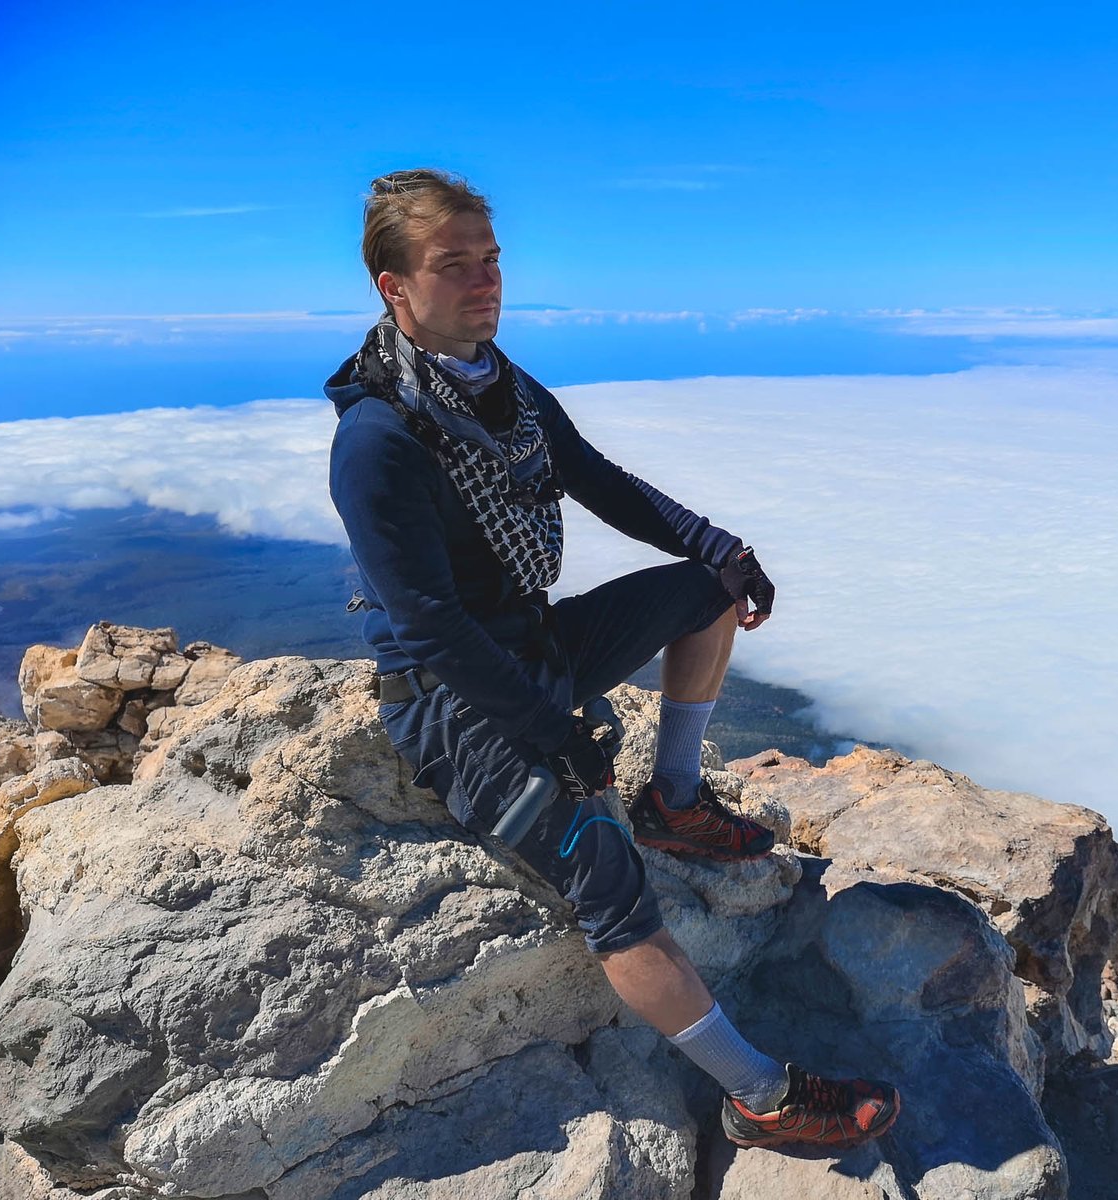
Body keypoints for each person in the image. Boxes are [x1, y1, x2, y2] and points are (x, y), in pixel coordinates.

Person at [325, 168, 900, 1151]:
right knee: (607, 884)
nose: (484, 281)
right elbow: (427, 629)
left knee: (704, 594)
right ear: (394, 286)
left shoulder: (500, 386)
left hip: (531, 644)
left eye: (491, 259)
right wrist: (554, 735)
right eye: (452, 265)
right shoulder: (380, 438)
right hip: (452, 699)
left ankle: (673, 798)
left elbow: (595, 480)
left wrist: (718, 548)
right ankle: (757, 1096)